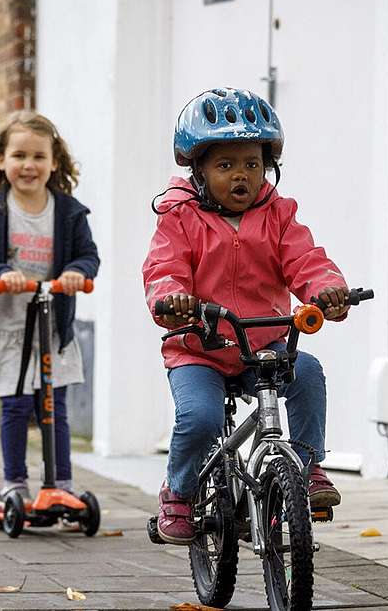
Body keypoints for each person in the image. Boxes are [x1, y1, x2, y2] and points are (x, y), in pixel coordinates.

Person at [142, 88, 351, 544]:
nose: (241, 175)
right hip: (200, 347)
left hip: (263, 344)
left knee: (309, 373)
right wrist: (172, 299)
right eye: (225, 165)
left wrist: (326, 289)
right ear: (197, 171)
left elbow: (305, 259)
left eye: (252, 164)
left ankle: (308, 465)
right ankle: (178, 492)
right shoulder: (179, 217)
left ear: (267, 166)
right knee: (199, 417)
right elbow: (164, 269)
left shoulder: (278, 214)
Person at [0, 111, 99, 502]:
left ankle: (61, 483)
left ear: (54, 162)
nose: (29, 165)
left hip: (51, 324)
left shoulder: (68, 211)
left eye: (39, 157)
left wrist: (76, 272)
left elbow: (87, 255)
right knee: (16, 405)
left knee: (53, 406)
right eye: (20, 156)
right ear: (1, 160)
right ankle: (14, 482)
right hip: (8, 324)